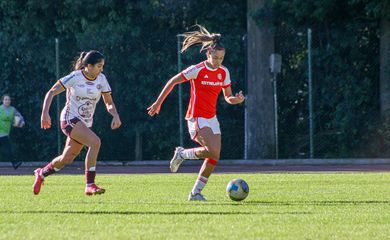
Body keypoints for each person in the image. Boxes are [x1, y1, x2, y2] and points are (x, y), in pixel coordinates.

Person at [147, 25, 245, 201]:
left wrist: (235, 100)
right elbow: (172, 81)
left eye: (221, 58)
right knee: (211, 150)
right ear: (208, 55)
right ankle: (182, 154)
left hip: (212, 118)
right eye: (215, 57)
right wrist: (158, 102)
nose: (218, 61)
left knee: (214, 156)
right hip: (196, 117)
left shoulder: (224, 72)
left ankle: (195, 193)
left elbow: (228, 96)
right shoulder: (197, 69)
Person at [33, 50, 121, 196]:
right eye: (99, 66)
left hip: (85, 123)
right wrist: (45, 113)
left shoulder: (102, 79)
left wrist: (115, 115)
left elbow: (109, 102)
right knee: (95, 142)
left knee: (67, 158)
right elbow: (51, 92)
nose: (101, 69)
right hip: (69, 119)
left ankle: (41, 173)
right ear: (89, 66)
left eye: (102, 66)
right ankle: (90, 184)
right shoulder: (75, 77)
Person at [0, 94, 25, 169]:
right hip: (1, 133)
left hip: (5, 133)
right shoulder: (0, 109)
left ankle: (15, 163)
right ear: (2, 101)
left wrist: (21, 123)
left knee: (9, 149)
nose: (7, 101)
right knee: (9, 149)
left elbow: (20, 118)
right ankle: (14, 163)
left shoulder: (12, 109)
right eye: (6, 99)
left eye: (9, 99)